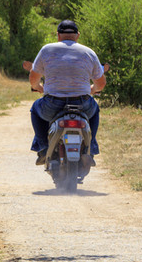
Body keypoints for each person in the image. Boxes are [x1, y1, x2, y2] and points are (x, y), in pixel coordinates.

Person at [28, 20, 106, 165]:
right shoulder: (89, 52)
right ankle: (91, 148)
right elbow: (100, 84)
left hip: (52, 105)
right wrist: (92, 90)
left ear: (58, 35)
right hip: (82, 104)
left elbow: (33, 78)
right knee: (95, 110)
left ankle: (43, 148)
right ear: (78, 35)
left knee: (35, 109)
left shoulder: (46, 50)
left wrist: (39, 88)